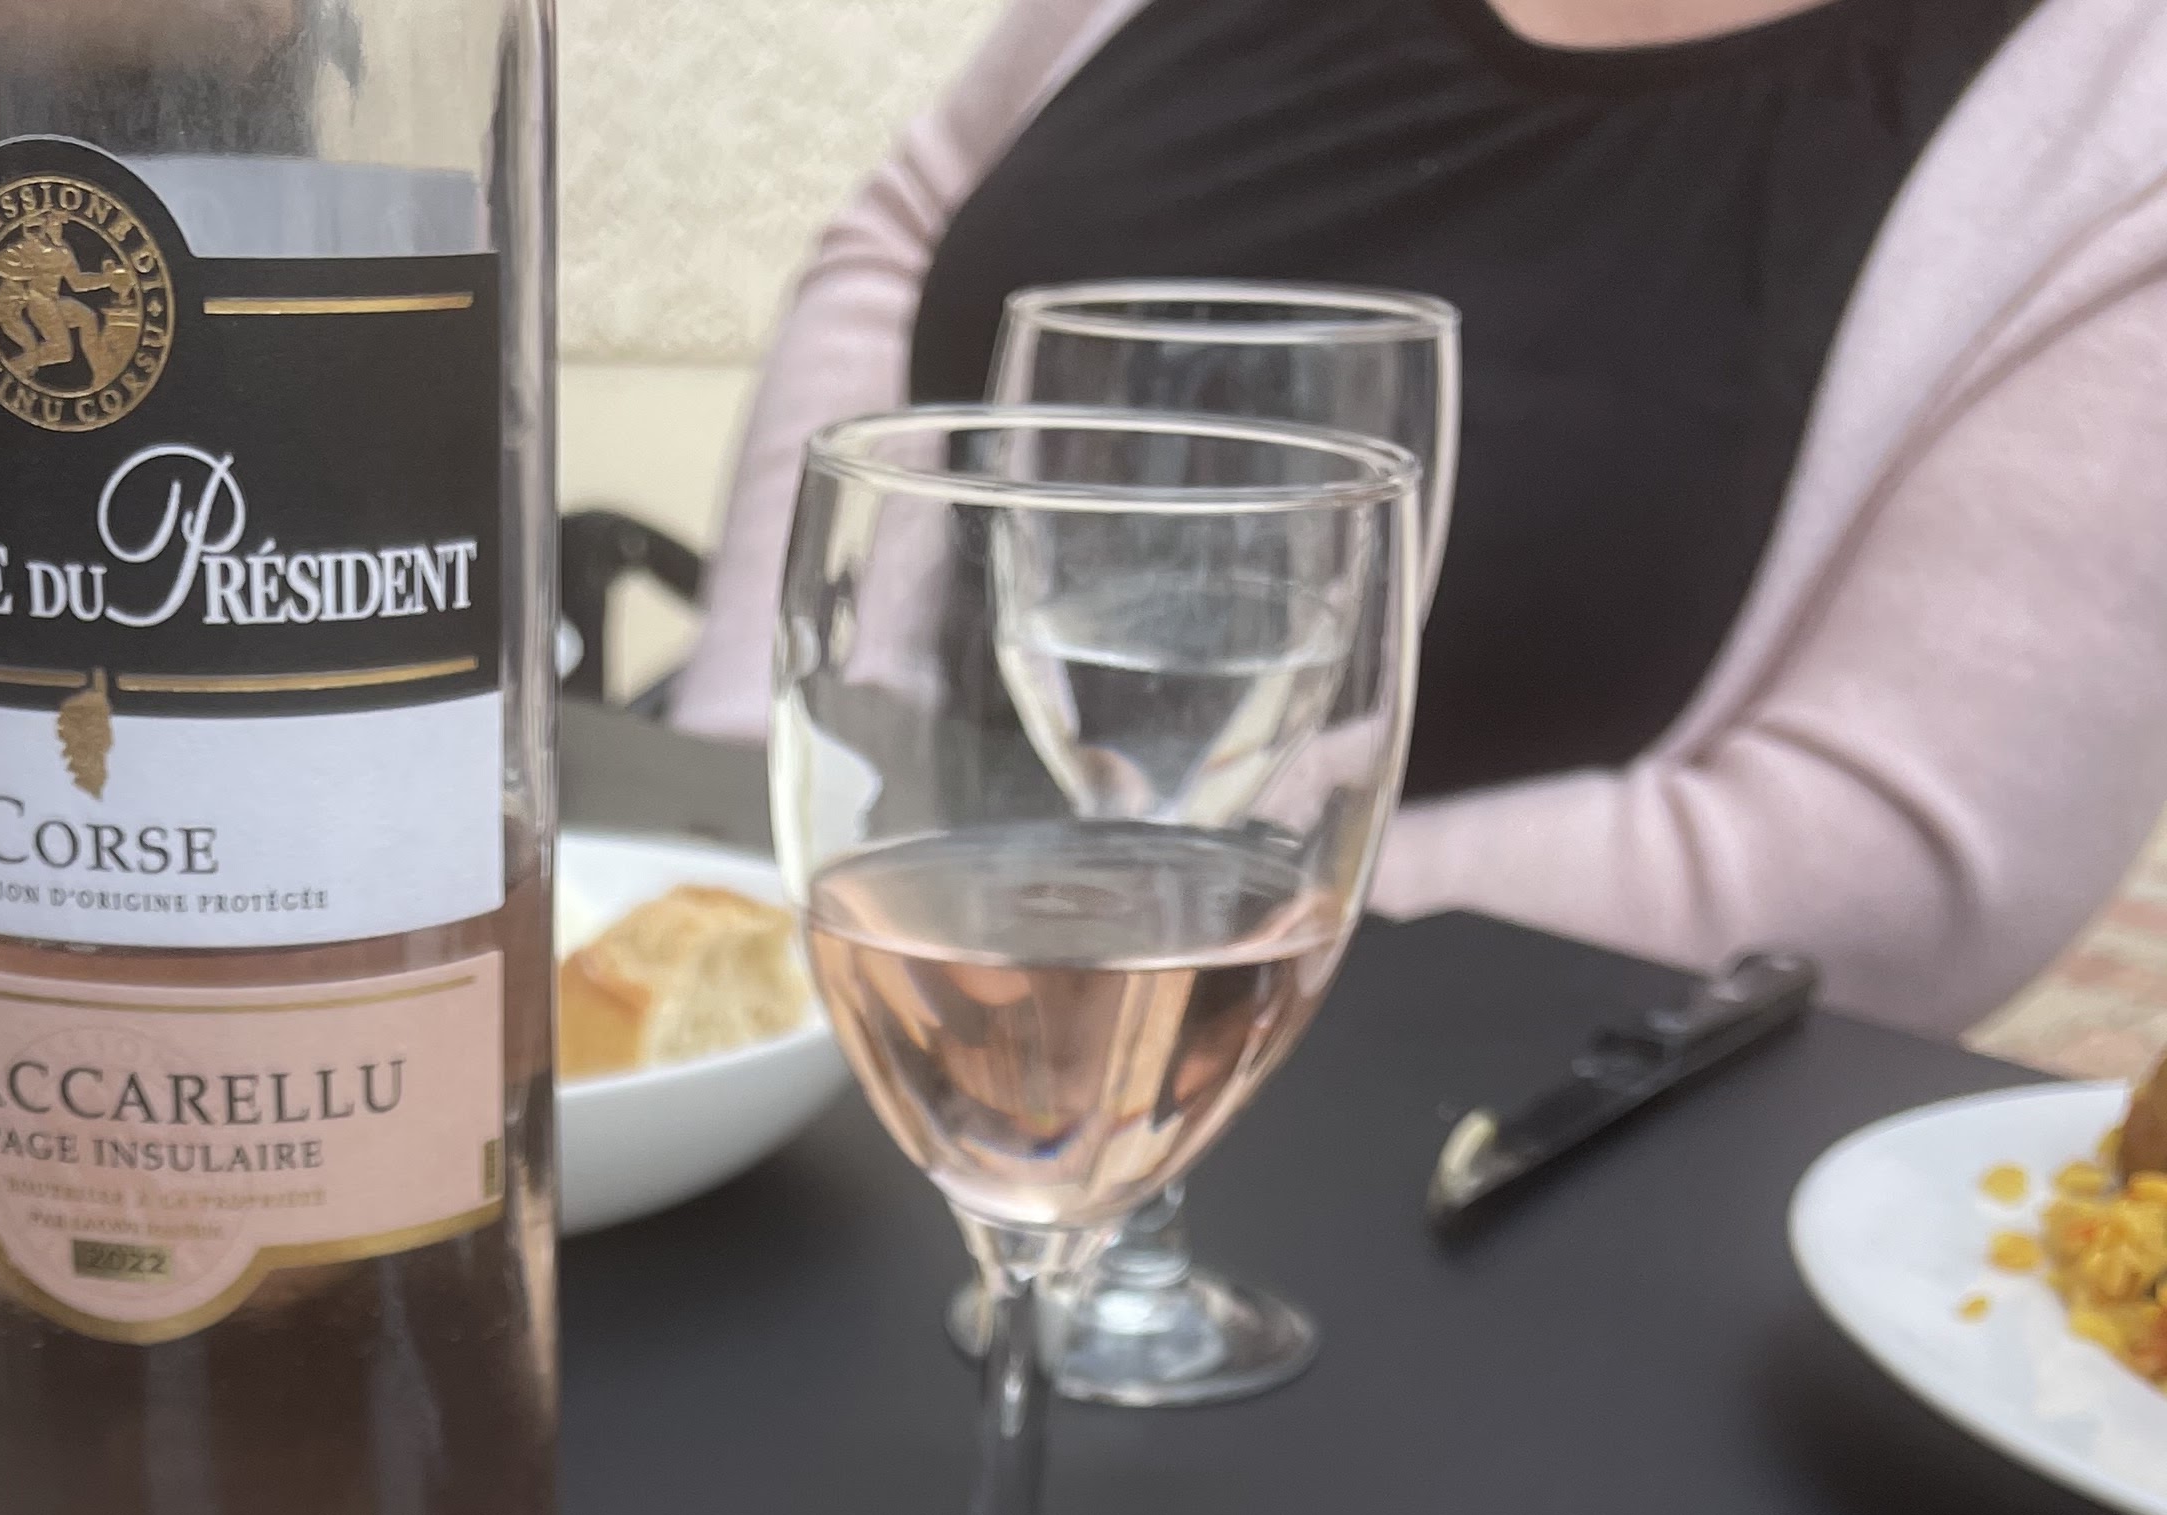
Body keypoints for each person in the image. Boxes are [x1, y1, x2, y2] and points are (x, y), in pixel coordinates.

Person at [673, 0, 2167, 1041]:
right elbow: (911, 229)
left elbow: (1892, 862)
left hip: (1475, 1152)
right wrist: (783, 758)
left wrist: (1122, 923)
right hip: (873, 984)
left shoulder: (2116, 105)